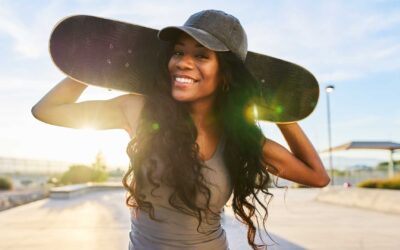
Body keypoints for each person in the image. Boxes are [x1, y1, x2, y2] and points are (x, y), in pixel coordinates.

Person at [32, 9, 330, 250]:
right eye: (178, 52)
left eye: (201, 55)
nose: (184, 62)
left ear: (225, 75)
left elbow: (316, 176)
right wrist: (94, 69)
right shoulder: (139, 110)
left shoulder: (239, 138)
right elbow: (47, 111)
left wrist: (282, 110)